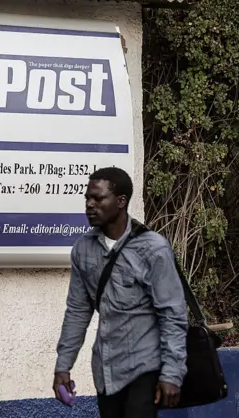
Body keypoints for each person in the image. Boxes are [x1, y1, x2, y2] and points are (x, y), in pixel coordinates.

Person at [52, 167, 188, 418]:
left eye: (98, 198)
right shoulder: (83, 249)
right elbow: (77, 312)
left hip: (144, 368)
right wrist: (63, 366)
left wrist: (172, 373)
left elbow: (173, 314)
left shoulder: (152, 248)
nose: (90, 205)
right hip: (106, 372)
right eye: (87, 199)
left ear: (121, 201)